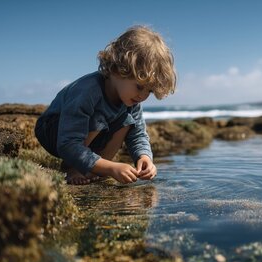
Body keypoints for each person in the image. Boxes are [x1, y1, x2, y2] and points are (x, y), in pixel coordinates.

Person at [35, 25, 176, 185]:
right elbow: (68, 143)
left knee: (127, 121)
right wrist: (112, 168)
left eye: (149, 91)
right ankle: (73, 167)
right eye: (139, 86)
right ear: (118, 69)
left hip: (84, 136)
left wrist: (144, 157)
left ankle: (95, 167)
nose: (143, 96)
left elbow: (138, 134)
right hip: (55, 130)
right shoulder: (88, 91)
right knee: (99, 115)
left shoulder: (131, 100)